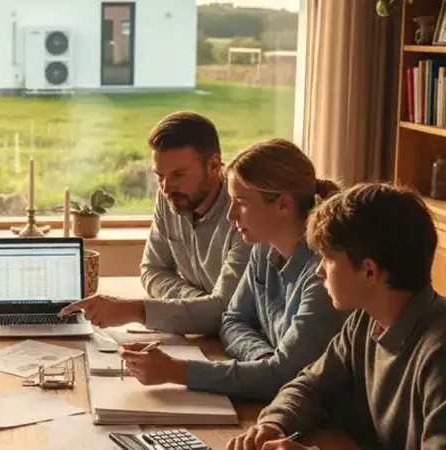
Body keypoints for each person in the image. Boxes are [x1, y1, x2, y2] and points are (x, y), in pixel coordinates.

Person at [118, 138, 349, 401]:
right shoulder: (263, 250)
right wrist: (261, 357)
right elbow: (232, 320)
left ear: (283, 205)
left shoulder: (324, 275)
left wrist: (177, 371)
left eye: (241, 202)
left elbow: (285, 376)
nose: (231, 215)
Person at [228, 183, 446, 450]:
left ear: (369, 271)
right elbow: (310, 385)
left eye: (328, 259)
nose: (319, 271)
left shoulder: (438, 353)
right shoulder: (365, 322)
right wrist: (274, 424)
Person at [61, 111, 252, 335]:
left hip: (240, 337)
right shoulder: (171, 197)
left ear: (214, 165)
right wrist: (198, 302)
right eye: (159, 175)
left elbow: (227, 310)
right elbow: (152, 271)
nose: (166, 187)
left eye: (178, 175)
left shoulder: (245, 213)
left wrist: (135, 310)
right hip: (204, 336)